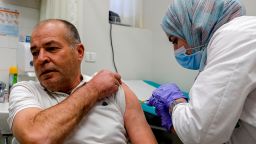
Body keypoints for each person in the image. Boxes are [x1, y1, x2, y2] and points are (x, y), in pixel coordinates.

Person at [8, 19, 157, 144]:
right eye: (35, 53)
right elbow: (35, 136)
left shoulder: (114, 89)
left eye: (51, 48)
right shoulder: (25, 91)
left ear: (79, 52)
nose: (40, 59)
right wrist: (94, 89)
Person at [148, 0, 256, 143]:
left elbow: (201, 133)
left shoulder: (234, 35)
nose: (175, 51)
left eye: (174, 41)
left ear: (194, 26)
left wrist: (174, 103)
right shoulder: (241, 32)